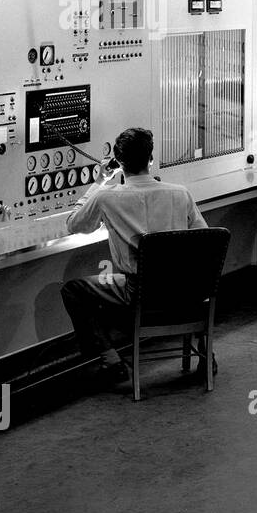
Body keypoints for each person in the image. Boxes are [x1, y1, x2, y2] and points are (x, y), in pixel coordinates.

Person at [60, 127, 207, 377]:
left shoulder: (106, 197)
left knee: (73, 290)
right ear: (151, 159)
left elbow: (74, 224)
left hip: (139, 294)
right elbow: (205, 241)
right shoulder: (180, 193)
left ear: (118, 162)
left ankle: (112, 360)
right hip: (185, 293)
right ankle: (205, 352)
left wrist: (99, 181)